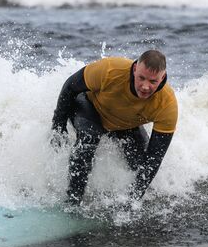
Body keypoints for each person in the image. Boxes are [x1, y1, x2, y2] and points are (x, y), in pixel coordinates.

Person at [51, 50, 178, 206]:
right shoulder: (111, 69)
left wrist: (133, 200)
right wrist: (58, 125)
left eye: (153, 81)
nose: (145, 86)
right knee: (90, 138)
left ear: (162, 78)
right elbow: (70, 87)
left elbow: (154, 158)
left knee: (140, 165)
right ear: (135, 69)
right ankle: (72, 201)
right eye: (141, 78)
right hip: (90, 107)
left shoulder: (167, 104)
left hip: (125, 124)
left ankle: (127, 200)